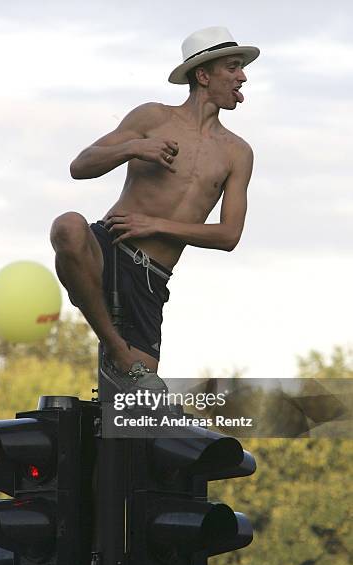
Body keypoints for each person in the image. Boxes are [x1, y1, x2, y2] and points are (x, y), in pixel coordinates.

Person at [50, 26, 260, 391]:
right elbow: (80, 166)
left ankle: (123, 360)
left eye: (240, 68)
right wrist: (132, 148)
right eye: (233, 67)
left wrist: (154, 225)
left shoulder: (237, 152)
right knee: (67, 227)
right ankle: (115, 346)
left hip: (151, 278)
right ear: (203, 74)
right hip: (108, 245)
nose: (242, 76)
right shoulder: (152, 117)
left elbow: (229, 236)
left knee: (140, 399)